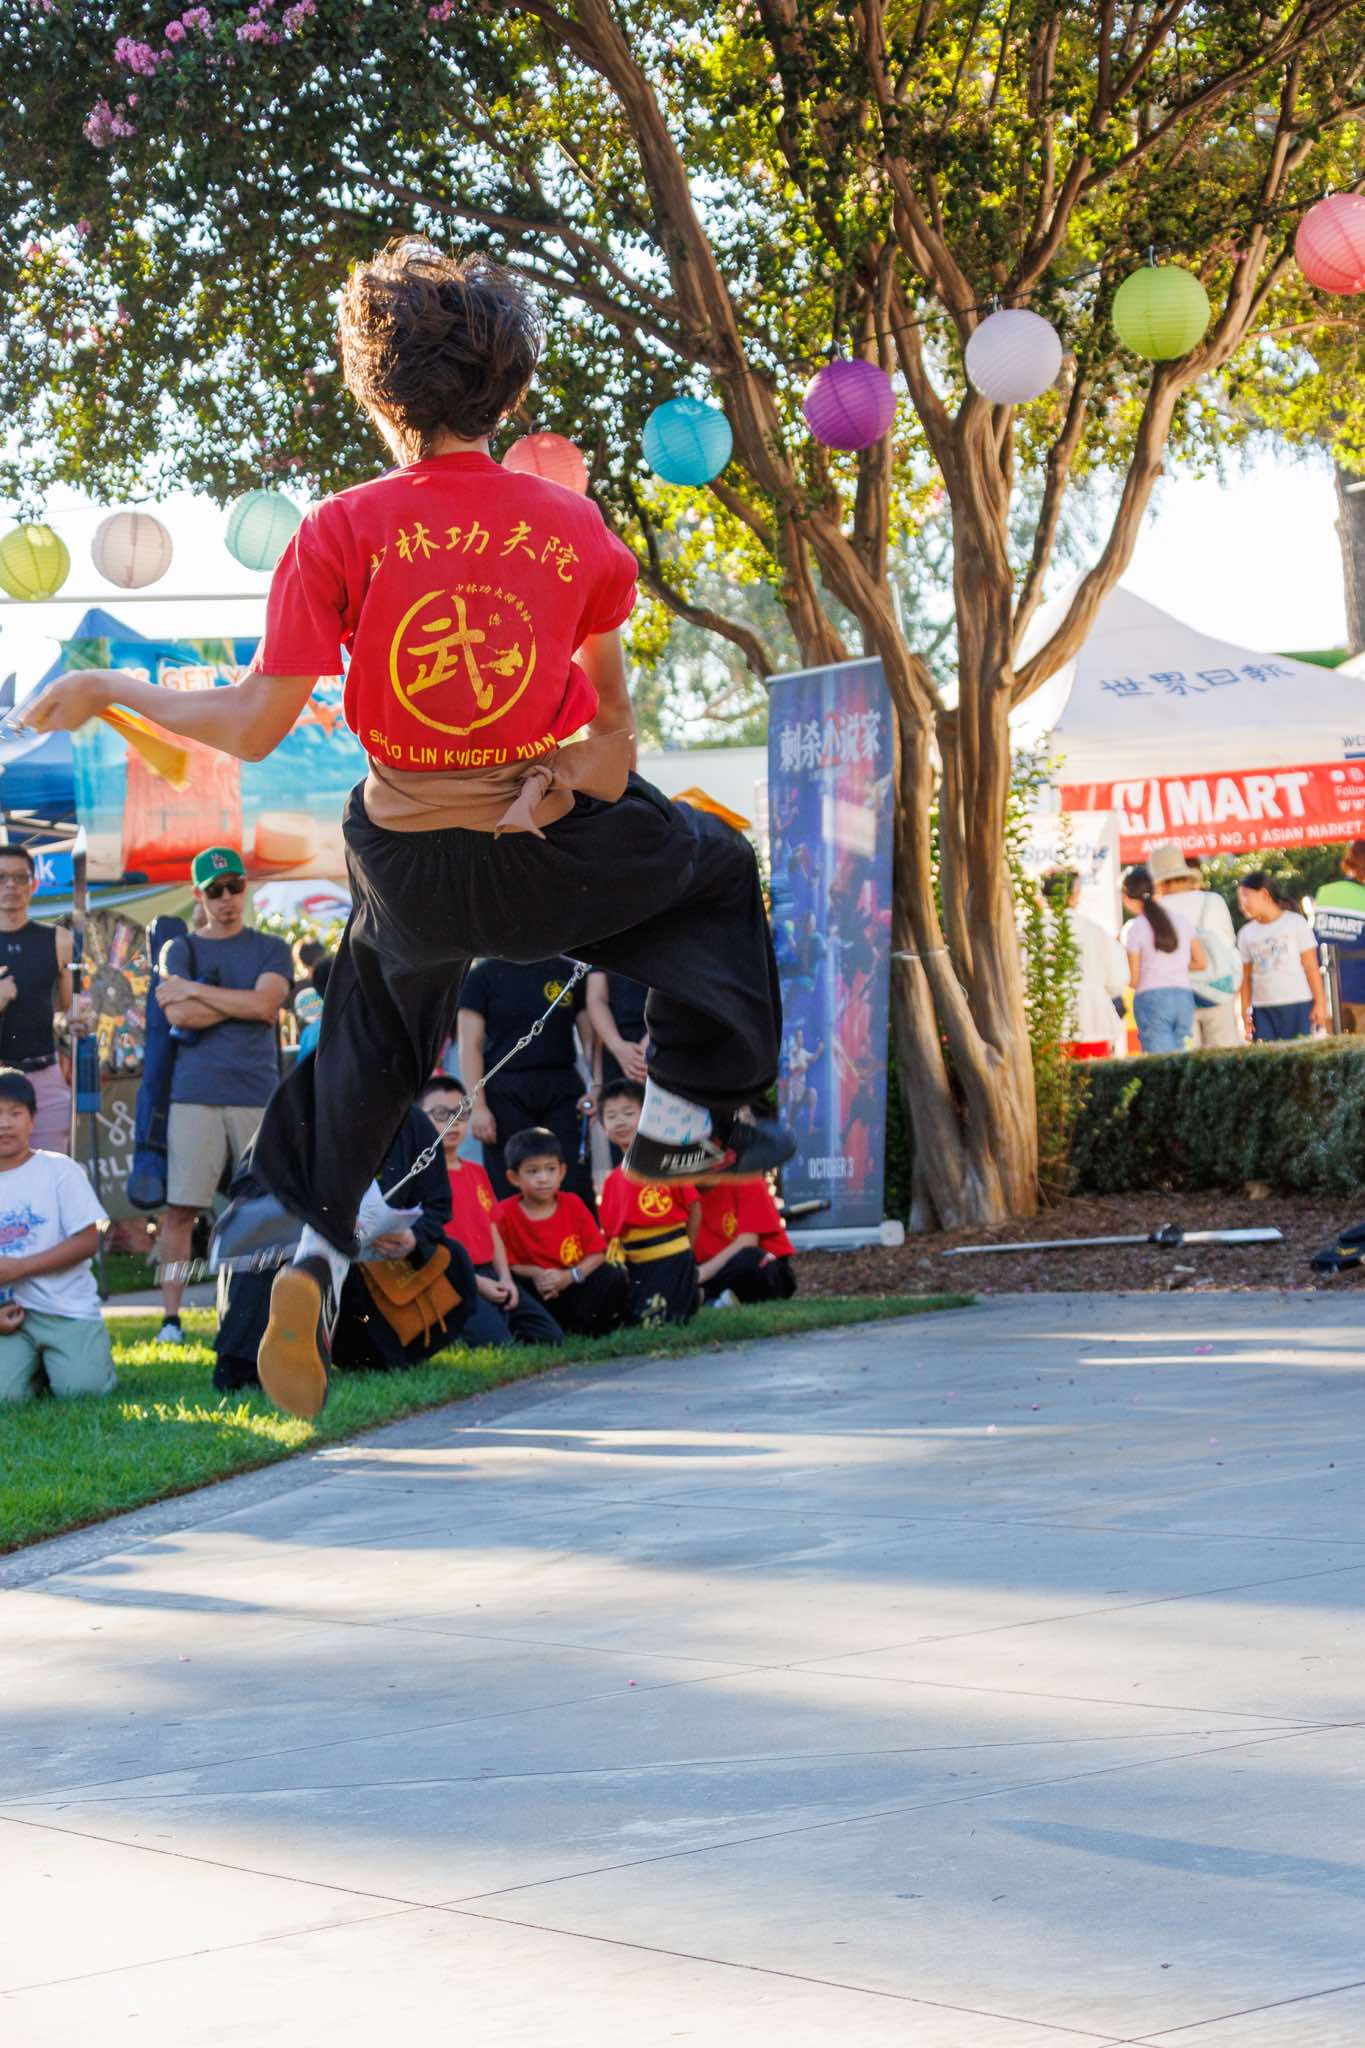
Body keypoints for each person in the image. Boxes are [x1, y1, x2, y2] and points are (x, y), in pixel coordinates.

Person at [26, 241, 789, 1422]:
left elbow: (253, 724)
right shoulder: (575, 529)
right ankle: (688, 1113)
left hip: (410, 865)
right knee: (719, 866)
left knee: (370, 1046)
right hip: (546, 854)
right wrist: (554, 781)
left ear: (379, 399)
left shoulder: (338, 529)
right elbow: (613, 743)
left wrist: (109, 690)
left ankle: (310, 1252)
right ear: (508, 395)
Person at [213, 1100, 469, 1396]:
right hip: (299, 1257)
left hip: (372, 1275)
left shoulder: (412, 1122)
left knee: (454, 1258)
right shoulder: (298, 1105)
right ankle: (253, 1367)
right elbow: (249, 1186)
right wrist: (316, 1209)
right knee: (265, 1242)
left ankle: (374, 1351)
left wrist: (413, 1236)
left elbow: (437, 1205)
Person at [152, 846, 293, 1349]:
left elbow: (266, 1005)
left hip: (257, 1092)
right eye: (215, 891)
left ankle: (262, 1309)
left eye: (234, 886)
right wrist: (243, 1002)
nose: (227, 898)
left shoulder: (271, 947)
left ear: (245, 886)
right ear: (199, 895)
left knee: (265, 1207)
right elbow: (179, 1016)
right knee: (181, 1210)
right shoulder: (179, 949)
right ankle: (171, 1318)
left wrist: (196, 991)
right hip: (195, 1094)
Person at [0, 1066, 116, 1404]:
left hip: (65, 1308)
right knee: (4, 1399)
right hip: (8, 1314)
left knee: (83, 1391)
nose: (4, 1123)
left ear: (33, 1120)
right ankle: (36, 1367)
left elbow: (89, 1240)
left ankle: (69, 1362)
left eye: (15, 1113)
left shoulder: (59, 1169)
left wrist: (20, 1268)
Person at [418, 1075, 562, 1347]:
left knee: (550, 1337)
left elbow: (492, 1228)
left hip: (490, 1273)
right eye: (440, 1114)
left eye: (460, 1113)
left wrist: (506, 1279)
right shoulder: (420, 1179)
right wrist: (475, 1283)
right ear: (418, 1118)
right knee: (498, 1344)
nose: (453, 1122)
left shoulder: (477, 1172)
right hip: (452, 1276)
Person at [457, 955, 595, 1205]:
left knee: (574, 1179)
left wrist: (596, 1085)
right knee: (509, 1182)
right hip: (505, 1088)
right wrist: (478, 1107)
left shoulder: (567, 970)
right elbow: (469, 1046)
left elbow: (590, 1038)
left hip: (562, 1084)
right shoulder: (481, 976)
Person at [494, 1126, 630, 1337]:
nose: (543, 1178)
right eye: (532, 1171)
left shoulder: (573, 1203)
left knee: (611, 1275)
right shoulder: (504, 1212)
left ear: (562, 1172)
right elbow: (506, 1262)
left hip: (573, 1279)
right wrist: (537, 1273)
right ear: (514, 1178)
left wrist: (569, 1276)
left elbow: (598, 1253)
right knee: (514, 1287)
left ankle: (591, 1328)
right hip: (537, 1286)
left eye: (550, 1169)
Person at [597, 1078, 700, 1325]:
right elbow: (612, 1234)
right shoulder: (612, 1180)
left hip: (673, 1258)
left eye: (628, 1113)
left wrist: (687, 1251)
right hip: (637, 1265)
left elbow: (694, 1208)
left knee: (656, 1322)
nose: (620, 1122)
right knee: (630, 1319)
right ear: (603, 1126)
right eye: (611, 1116)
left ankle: (692, 1294)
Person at [0, 843, 75, 1153]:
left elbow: (70, 1009)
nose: (10, 885)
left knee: (51, 1168)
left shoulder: (59, 939)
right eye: (1, 877)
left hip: (45, 1076)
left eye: (20, 877)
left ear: (34, 884)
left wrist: (71, 1039)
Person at [1147, 845, 1241, 1048]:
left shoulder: (1153, 912)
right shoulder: (1213, 901)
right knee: (1224, 1058)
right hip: (1218, 988)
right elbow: (1228, 943)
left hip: (1175, 995)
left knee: (1186, 1061)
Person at [1041, 870, 1129, 1060]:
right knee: (1093, 1075)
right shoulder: (1095, 931)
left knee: (1051, 1076)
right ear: (1073, 894)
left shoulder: (1032, 931)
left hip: (1046, 1019)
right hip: (1092, 1018)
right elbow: (1117, 980)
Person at [1121, 866, 1207, 1055]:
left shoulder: (1135, 928)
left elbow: (1134, 980)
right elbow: (1201, 963)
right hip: (1183, 997)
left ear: (1127, 897)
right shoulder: (1181, 920)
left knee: (1160, 1063)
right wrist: (1174, 966)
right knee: (1181, 1060)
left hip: (1152, 999)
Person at [1236, 871, 1325, 1042]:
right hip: (1262, 1009)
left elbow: (1311, 967)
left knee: (1299, 1054)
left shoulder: (1295, 923)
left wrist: (1320, 1004)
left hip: (1298, 1003)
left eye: (1245, 897)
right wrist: (1244, 1011)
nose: (1242, 904)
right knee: (1268, 1057)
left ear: (1264, 894)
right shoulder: (1245, 933)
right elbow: (1245, 978)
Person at [694, 1178, 798, 1304]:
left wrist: (698, 1275)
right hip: (714, 1272)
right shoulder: (681, 1193)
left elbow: (747, 1243)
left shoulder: (746, 1179)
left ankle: (704, 1295)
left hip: (762, 1268)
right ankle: (714, 1298)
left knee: (751, 1258)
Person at [1312, 841, 1365, 1032]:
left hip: (1330, 991)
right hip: (1361, 992)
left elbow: (1315, 940)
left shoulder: (1325, 892)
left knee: (1336, 1047)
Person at [585, 970, 649, 1089]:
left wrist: (652, 1040)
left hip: (661, 1038)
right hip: (615, 1047)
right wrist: (617, 1046)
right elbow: (596, 998)